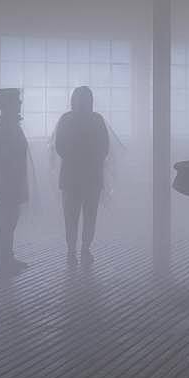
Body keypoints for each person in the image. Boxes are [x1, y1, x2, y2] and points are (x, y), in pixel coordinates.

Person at [53, 86, 110, 265]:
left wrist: (75, 155)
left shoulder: (66, 119)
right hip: (90, 176)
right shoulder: (96, 120)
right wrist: (90, 157)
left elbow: (60, 146)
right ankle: (83, 250)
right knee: (87, 216)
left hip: (72, 176)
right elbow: (104, 148)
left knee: (73, 217)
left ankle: (75, 251)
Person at [0, 88, 30, 276]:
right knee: (6, 221)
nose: (20, 103)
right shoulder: (4, 126)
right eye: (17, 101)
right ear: (9, 104)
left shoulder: (8, 124)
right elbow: (3, 157)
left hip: (12, 179)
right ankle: (2, 261)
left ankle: (7, 257)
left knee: (10, 220)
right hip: (7, 181)